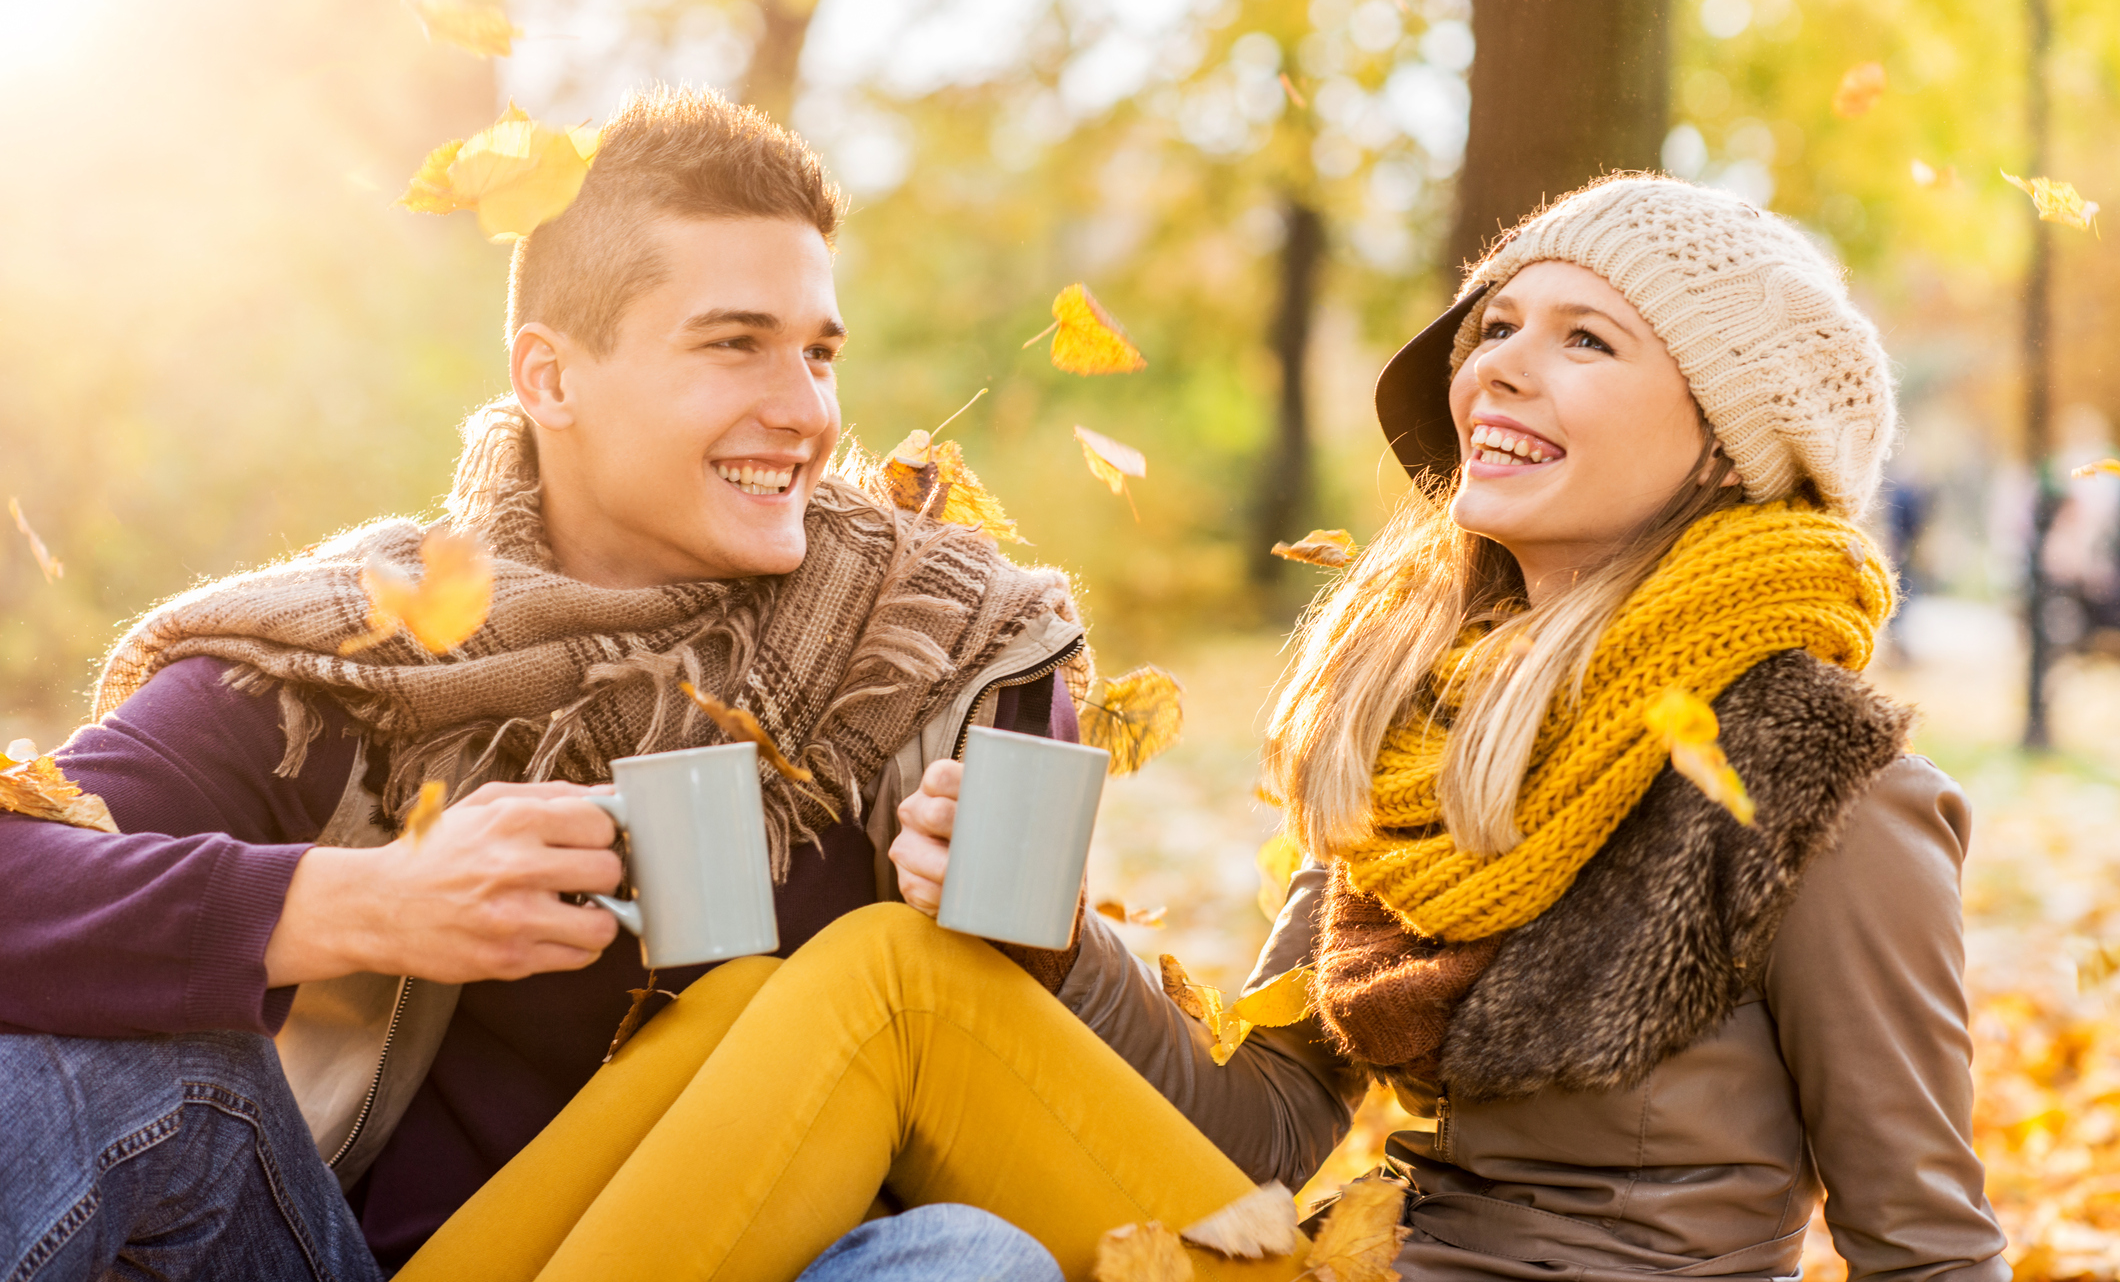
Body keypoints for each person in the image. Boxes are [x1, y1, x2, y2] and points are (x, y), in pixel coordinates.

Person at [385, 174, 2010, 1282]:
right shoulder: (1423, 729)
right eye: (1498, 324)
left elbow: (1927, 1242)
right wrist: (1055, 944)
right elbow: (1265, 1123)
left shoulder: (1818, 783)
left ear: (1731, 442)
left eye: (1589, 339)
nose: (1502, 364)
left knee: (874, 986)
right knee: (892, 970)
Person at [0, 86, 1085, 1280]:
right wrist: (367, 903)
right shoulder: (357, 654)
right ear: (552, 380)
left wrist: (1038, 942)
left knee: (971, 1259)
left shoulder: (928, 648)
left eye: (818, 352)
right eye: (736, 343)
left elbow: (1095, 1117)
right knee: (88, 1062)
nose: (806, 410)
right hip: (351, 1260)